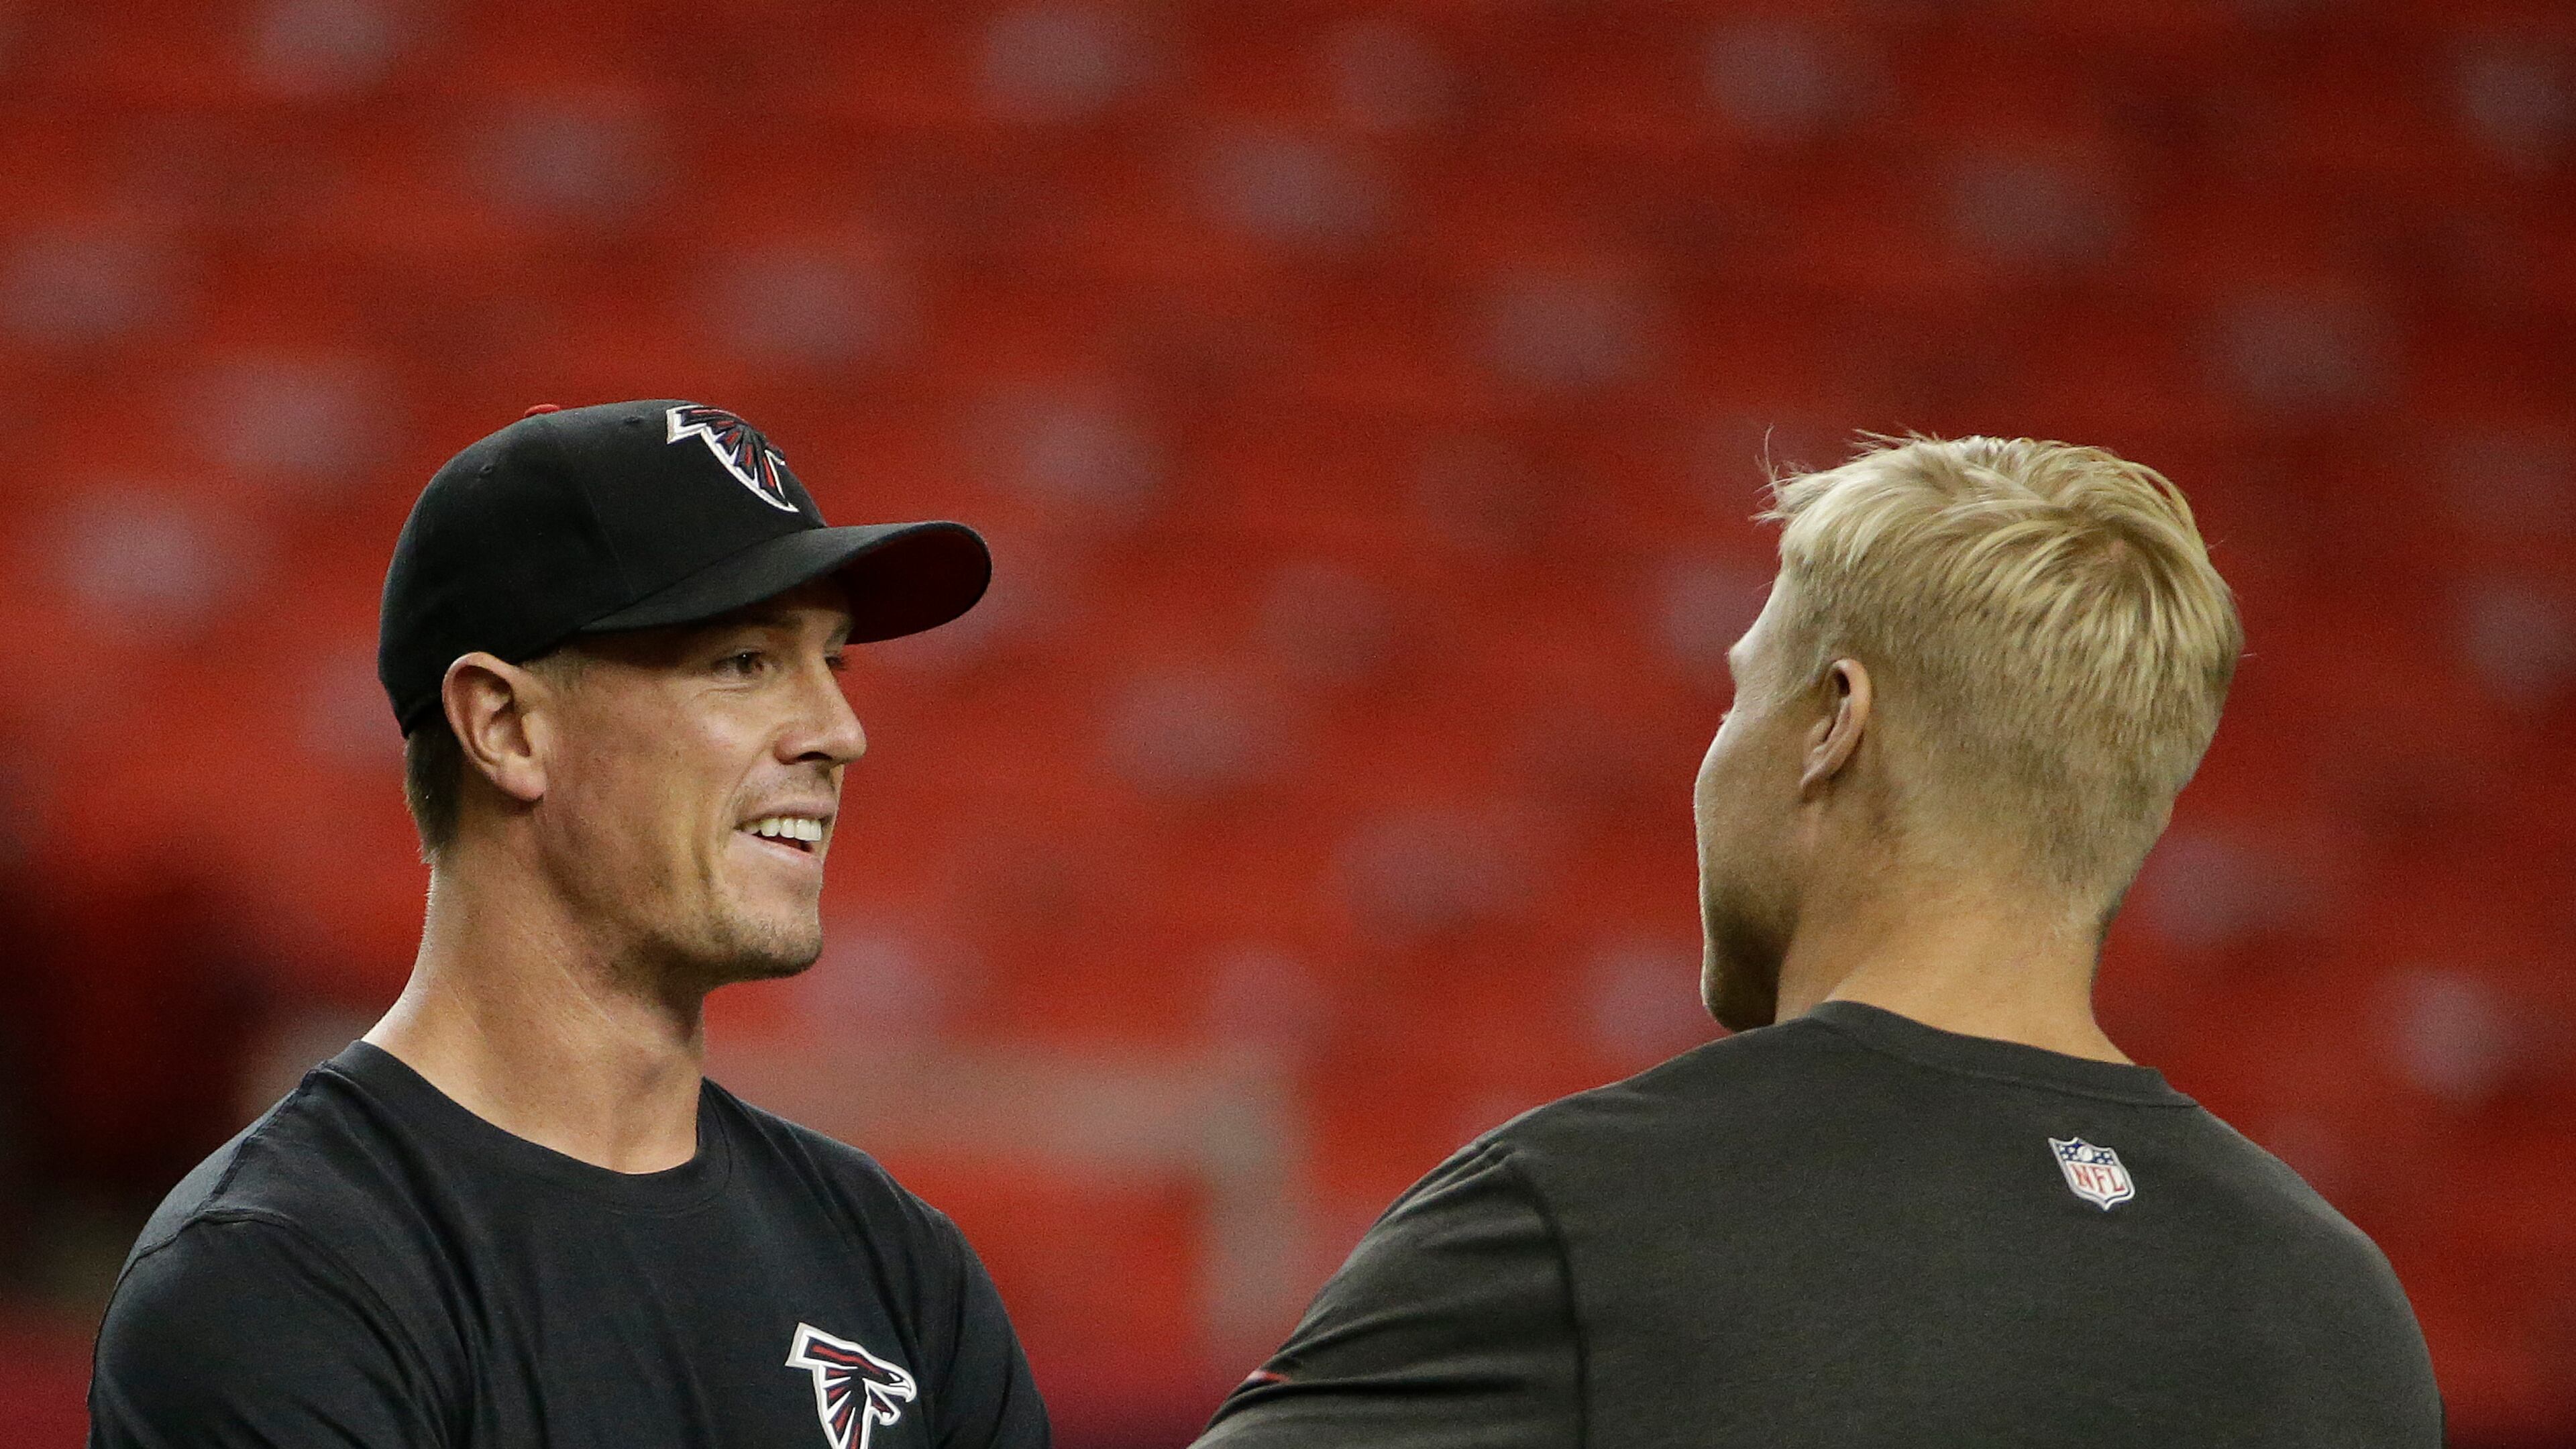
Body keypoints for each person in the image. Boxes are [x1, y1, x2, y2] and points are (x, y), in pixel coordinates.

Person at [1197, 436, 2442, 1447]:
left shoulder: (1588, 1219)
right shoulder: (2340, 1307)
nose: (1716, 749)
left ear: (1832, 723)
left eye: (1739, 693)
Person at [89, 400, 1050, 1449]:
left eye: (836, 664)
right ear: (505, 727)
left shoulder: (896, 1264)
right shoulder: (275, 1281)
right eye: (744, 662)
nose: (840, 731)